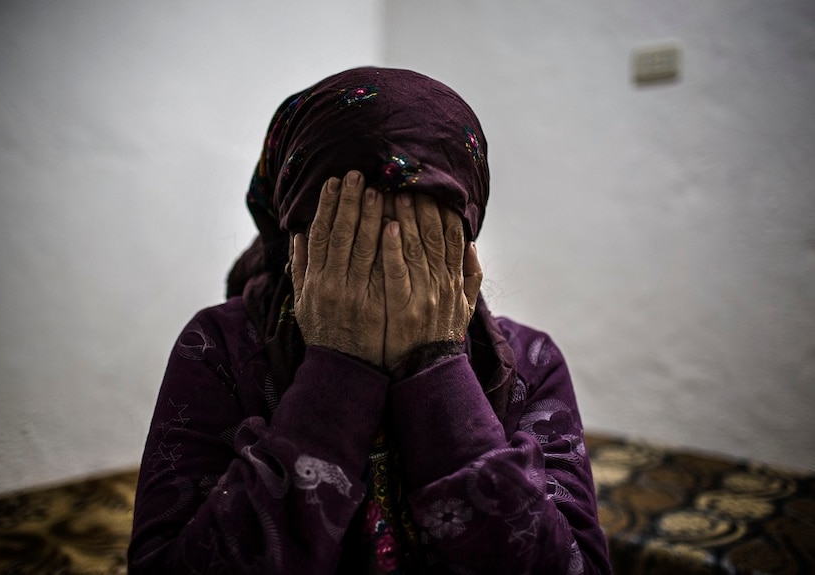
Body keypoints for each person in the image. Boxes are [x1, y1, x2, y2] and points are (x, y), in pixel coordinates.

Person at [128, 67, 610, 574]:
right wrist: (337, 363)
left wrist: (439, 362)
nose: (390, 261)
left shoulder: (531, 362)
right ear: (296, 242)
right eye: (348, 235)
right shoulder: (221, 347)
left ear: (465, 241)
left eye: (424, 235)